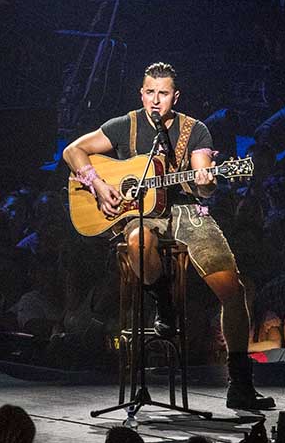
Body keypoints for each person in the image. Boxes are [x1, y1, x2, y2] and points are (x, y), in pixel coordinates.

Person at [62, 62, 273, 410]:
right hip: (141, 214)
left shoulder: (196, 130)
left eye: (163, 94)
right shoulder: (124, 125)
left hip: (187, 211)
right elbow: (73, 151)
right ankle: (165, 303)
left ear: (175, 96)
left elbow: (203, 177)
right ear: (141, 93)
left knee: (232, 290)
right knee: (137, 242)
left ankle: (239, 383)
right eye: (150, 92)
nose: (156, 100)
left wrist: (207, 181)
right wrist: (98, 184)